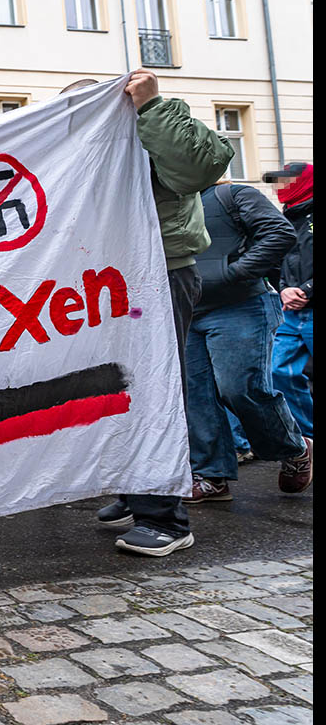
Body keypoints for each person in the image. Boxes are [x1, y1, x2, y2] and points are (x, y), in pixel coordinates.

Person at [82, 70, 235, 556]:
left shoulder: (157, 123)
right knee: (116, 387)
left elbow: (198, 168)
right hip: (103, 281)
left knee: (150, 390)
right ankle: (136, 493)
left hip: (160, 271)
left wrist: (151, 106)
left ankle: (165, 517)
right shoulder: (92, 148)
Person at [183, 180, 308, 502]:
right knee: (196, 397)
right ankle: (211, 475)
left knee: (240, 388)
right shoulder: (159, 201)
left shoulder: (233, 194)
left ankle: (294, 449)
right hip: (187, 311)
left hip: (240, 305)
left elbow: (279, 234)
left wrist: (232, 273)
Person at [266, 162, 314, 486]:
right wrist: (283, 288)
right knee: (276, 372)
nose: (280, 187)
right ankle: (309, 439)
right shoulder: (283, 218)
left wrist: (308, 291)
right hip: (290, 313)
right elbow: (271, 261)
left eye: (287, 181)